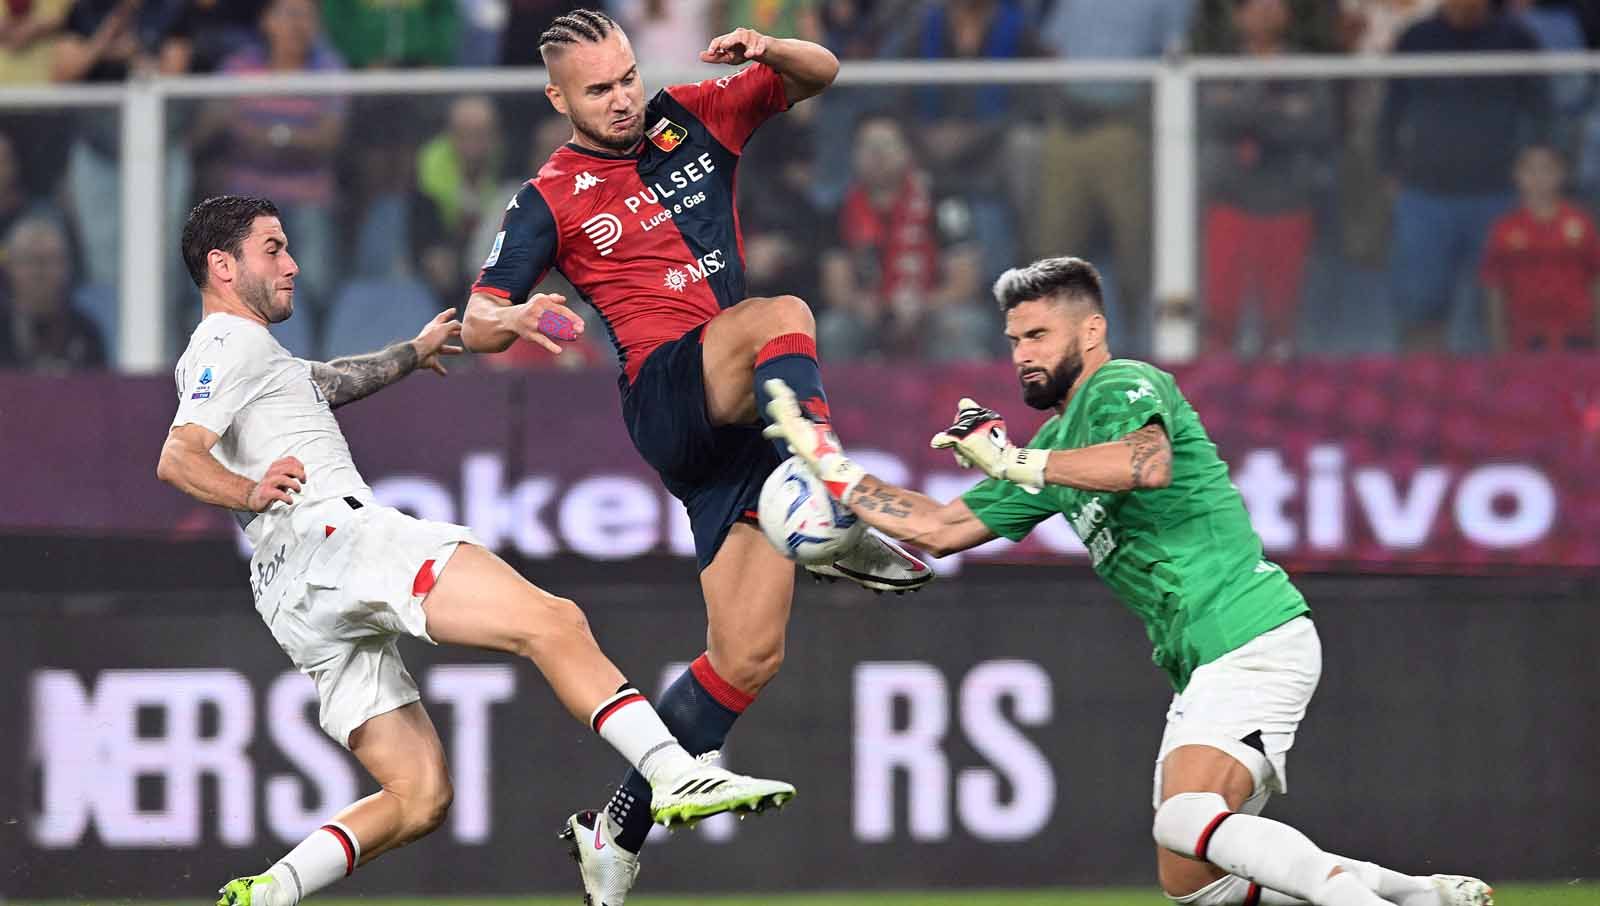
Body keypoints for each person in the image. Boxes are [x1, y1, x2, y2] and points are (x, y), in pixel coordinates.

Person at [763, 256, 1495, 906]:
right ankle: (1419, 894)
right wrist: (833, 466)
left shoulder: (1123, 382)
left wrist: (1018, 462)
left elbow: (1147, 464)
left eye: (1039, 335)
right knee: (1194, 880)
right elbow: (940, 529)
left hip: (1248, 629)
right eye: (1014, 340)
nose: (1020, 355)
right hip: (1206, 659)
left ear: (1091, 331)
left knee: (1183, 818)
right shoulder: (1052, 444)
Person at [157, 195, 795, 906]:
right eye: (273, 248)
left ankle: (272, 891)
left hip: (290, 596)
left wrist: (410, 354)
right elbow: (179, 456)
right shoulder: (225, 344)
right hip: (335, 537)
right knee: (553, 623)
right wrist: (248, 491)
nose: (293, 265)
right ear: (222, 266)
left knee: (419, 794)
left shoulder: (254, 357)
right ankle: (672, 774)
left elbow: (319, 383)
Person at [459, 10, 932, 904]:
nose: (623, 97)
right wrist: (512, 318)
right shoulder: (549, 196)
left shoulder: (694, 115)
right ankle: (835, 497)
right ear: (558, 98)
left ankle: (613, 834)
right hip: (673, 392)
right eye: (599, 89)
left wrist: (772, 50)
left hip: (744, 421)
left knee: (746, 657)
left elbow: (820, 72)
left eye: (628, 76)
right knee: (783, 314)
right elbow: (478, 314)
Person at [1480, 143, 1600, 352]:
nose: (1538, 178)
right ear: (1517, 175)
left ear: (1562, 174)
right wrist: (1499, 343)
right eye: (1530, 170)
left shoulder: (1582, 224)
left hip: (1577, 335)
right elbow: (1495, 288)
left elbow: (1596, 281)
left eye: (1547, 169)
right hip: (1525, 337)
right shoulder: (1504, 229)